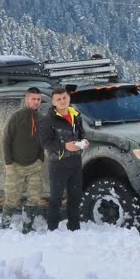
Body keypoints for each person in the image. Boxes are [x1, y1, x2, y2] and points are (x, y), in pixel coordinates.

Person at [39, 85, 87, 231]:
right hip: (58, 164)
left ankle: (74, 227)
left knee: (75, 197)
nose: (62, 101)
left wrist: (84, 141)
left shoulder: (75, 115)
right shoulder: (48, 120)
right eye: (58, 99)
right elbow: (45, 143)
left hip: (75, 162)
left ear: (69, 98)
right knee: (56, 199)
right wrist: (64, 146)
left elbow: (81, 133)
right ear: (53, 102)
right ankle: (52, 229)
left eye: (64, 97)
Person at [0, 86, 46, 233]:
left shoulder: (41, 119)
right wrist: (8, 163)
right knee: (12, 198)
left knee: (34, 197)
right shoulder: (16, 117)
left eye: (38, 99)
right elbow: (6, 140)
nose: (36, 102)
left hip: (34, 166)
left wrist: (40, 159)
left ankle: (27, 227)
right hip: (15, 165)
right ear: (26, 99)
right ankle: (4, 227)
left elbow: (42, 141)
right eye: (33, 99)